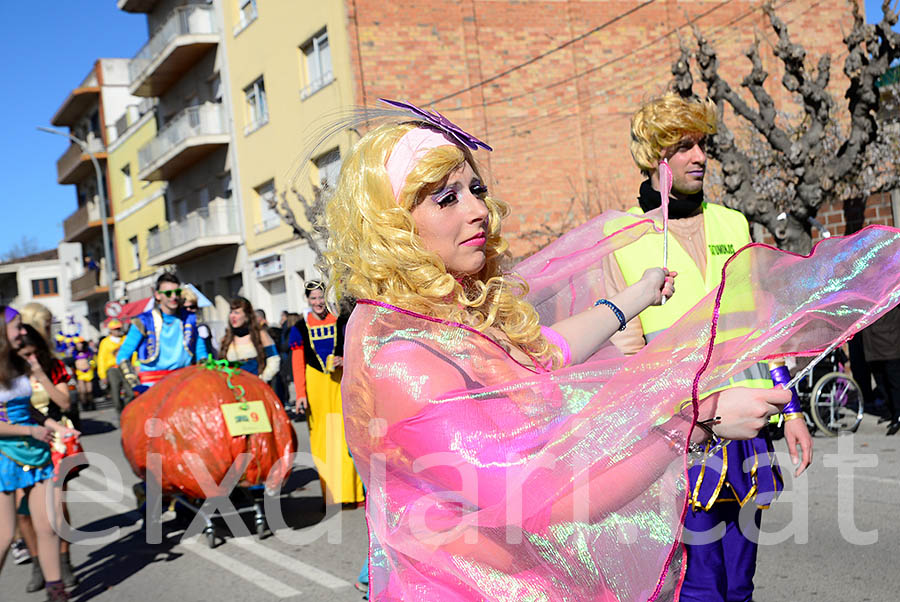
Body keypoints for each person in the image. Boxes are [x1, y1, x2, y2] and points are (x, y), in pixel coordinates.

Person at [319, 104, 818, 600]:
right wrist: (696, 419)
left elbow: (542, 352)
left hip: (532, 578)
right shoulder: (400, 357)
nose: (477, 211)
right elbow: (536, 497)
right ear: (393, 226)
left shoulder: (443, 313)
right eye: (445, 198)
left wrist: (635, 297)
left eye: (476, 190)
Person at [598, 93, 812, 601]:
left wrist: (792, 409)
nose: (699, 156)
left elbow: (763, 325)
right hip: (680, 434)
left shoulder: (733, 223)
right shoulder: (620, 234)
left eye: (702, 144)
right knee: (696, 584)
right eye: (684, 146)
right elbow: (623, 352)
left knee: (739, 582)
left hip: (748, 424)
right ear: (656, 158)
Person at [0, 306, 78, 601]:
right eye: (17, 327)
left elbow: (27, 409)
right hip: (4, 456)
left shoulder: (19, 364)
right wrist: (30, 431)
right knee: (5, 535)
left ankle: (57, 593)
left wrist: (56, 426)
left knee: (48, 526)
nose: (23, 331)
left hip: (36, 454)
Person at [289, 282, 365, 507]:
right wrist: (300, 394)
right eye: (313, 299)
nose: (318, 303)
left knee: (345, 436)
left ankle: (354, 494)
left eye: (321, 297)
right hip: (316, 385)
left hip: (339, 383)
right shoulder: (300, 328)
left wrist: (345, 359)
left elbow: (355, 351)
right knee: (322, 440)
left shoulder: (342, 322)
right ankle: (331, 495)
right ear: (307, 300)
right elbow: (297, 363)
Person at [18, 325, 82, 590]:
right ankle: (37, 564)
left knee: (57, 507)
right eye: (23, 354)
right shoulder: (7, 373)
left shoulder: (54, 367)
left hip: (55, 438)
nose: (28, 359)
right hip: (19, 441)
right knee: (24, 512)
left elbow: (65, 403)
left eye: (32, 353)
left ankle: (64, 561)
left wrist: (40, 374)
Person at [115, 272, 208, 391]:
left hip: (183, 384)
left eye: (177, 292)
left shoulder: (191, 319)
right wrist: (135, 385)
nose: (174, 297)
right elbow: (123, 355)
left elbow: (201, 353)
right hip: (152, 386)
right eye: (168, 293)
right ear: (158, 295)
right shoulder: (144, 321)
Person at [221, 297, 280, 382]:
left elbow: (274, 359)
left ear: (247, 316)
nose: (232, 316)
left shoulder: (260, 334)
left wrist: (263, 379)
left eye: (237, 313)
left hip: (256, 387)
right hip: (233, 388)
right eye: (231, 312)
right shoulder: (226, 338)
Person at [862, 304, 900, 435]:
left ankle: (898, 414)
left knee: (894, 382)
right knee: (880, 381)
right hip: (871, 342)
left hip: (890, 340)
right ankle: (891, 411)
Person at [97, 318, 134, 415]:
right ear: (111, 330)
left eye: (119, 328)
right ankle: (120, 412)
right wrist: (102, 375)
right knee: (115, 393)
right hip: (112, 369)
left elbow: (133, 354)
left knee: (131, 392)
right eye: (115, 329)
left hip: (126, 367)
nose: (118, 331)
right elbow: (101, 359)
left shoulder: (126, 339)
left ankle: (127, 410)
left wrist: (135, 365)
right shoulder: (105, 342)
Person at [72, 339, 95, 411]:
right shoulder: (74, 352)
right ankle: (84, 404)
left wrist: (91, 365)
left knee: (89, 390)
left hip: (88, 372)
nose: (79, 345)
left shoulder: (88, 351)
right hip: (80, 374)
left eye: (80, 343)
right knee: (82, 391)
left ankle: (91, 403)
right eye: (78, 343)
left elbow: (92, 360)